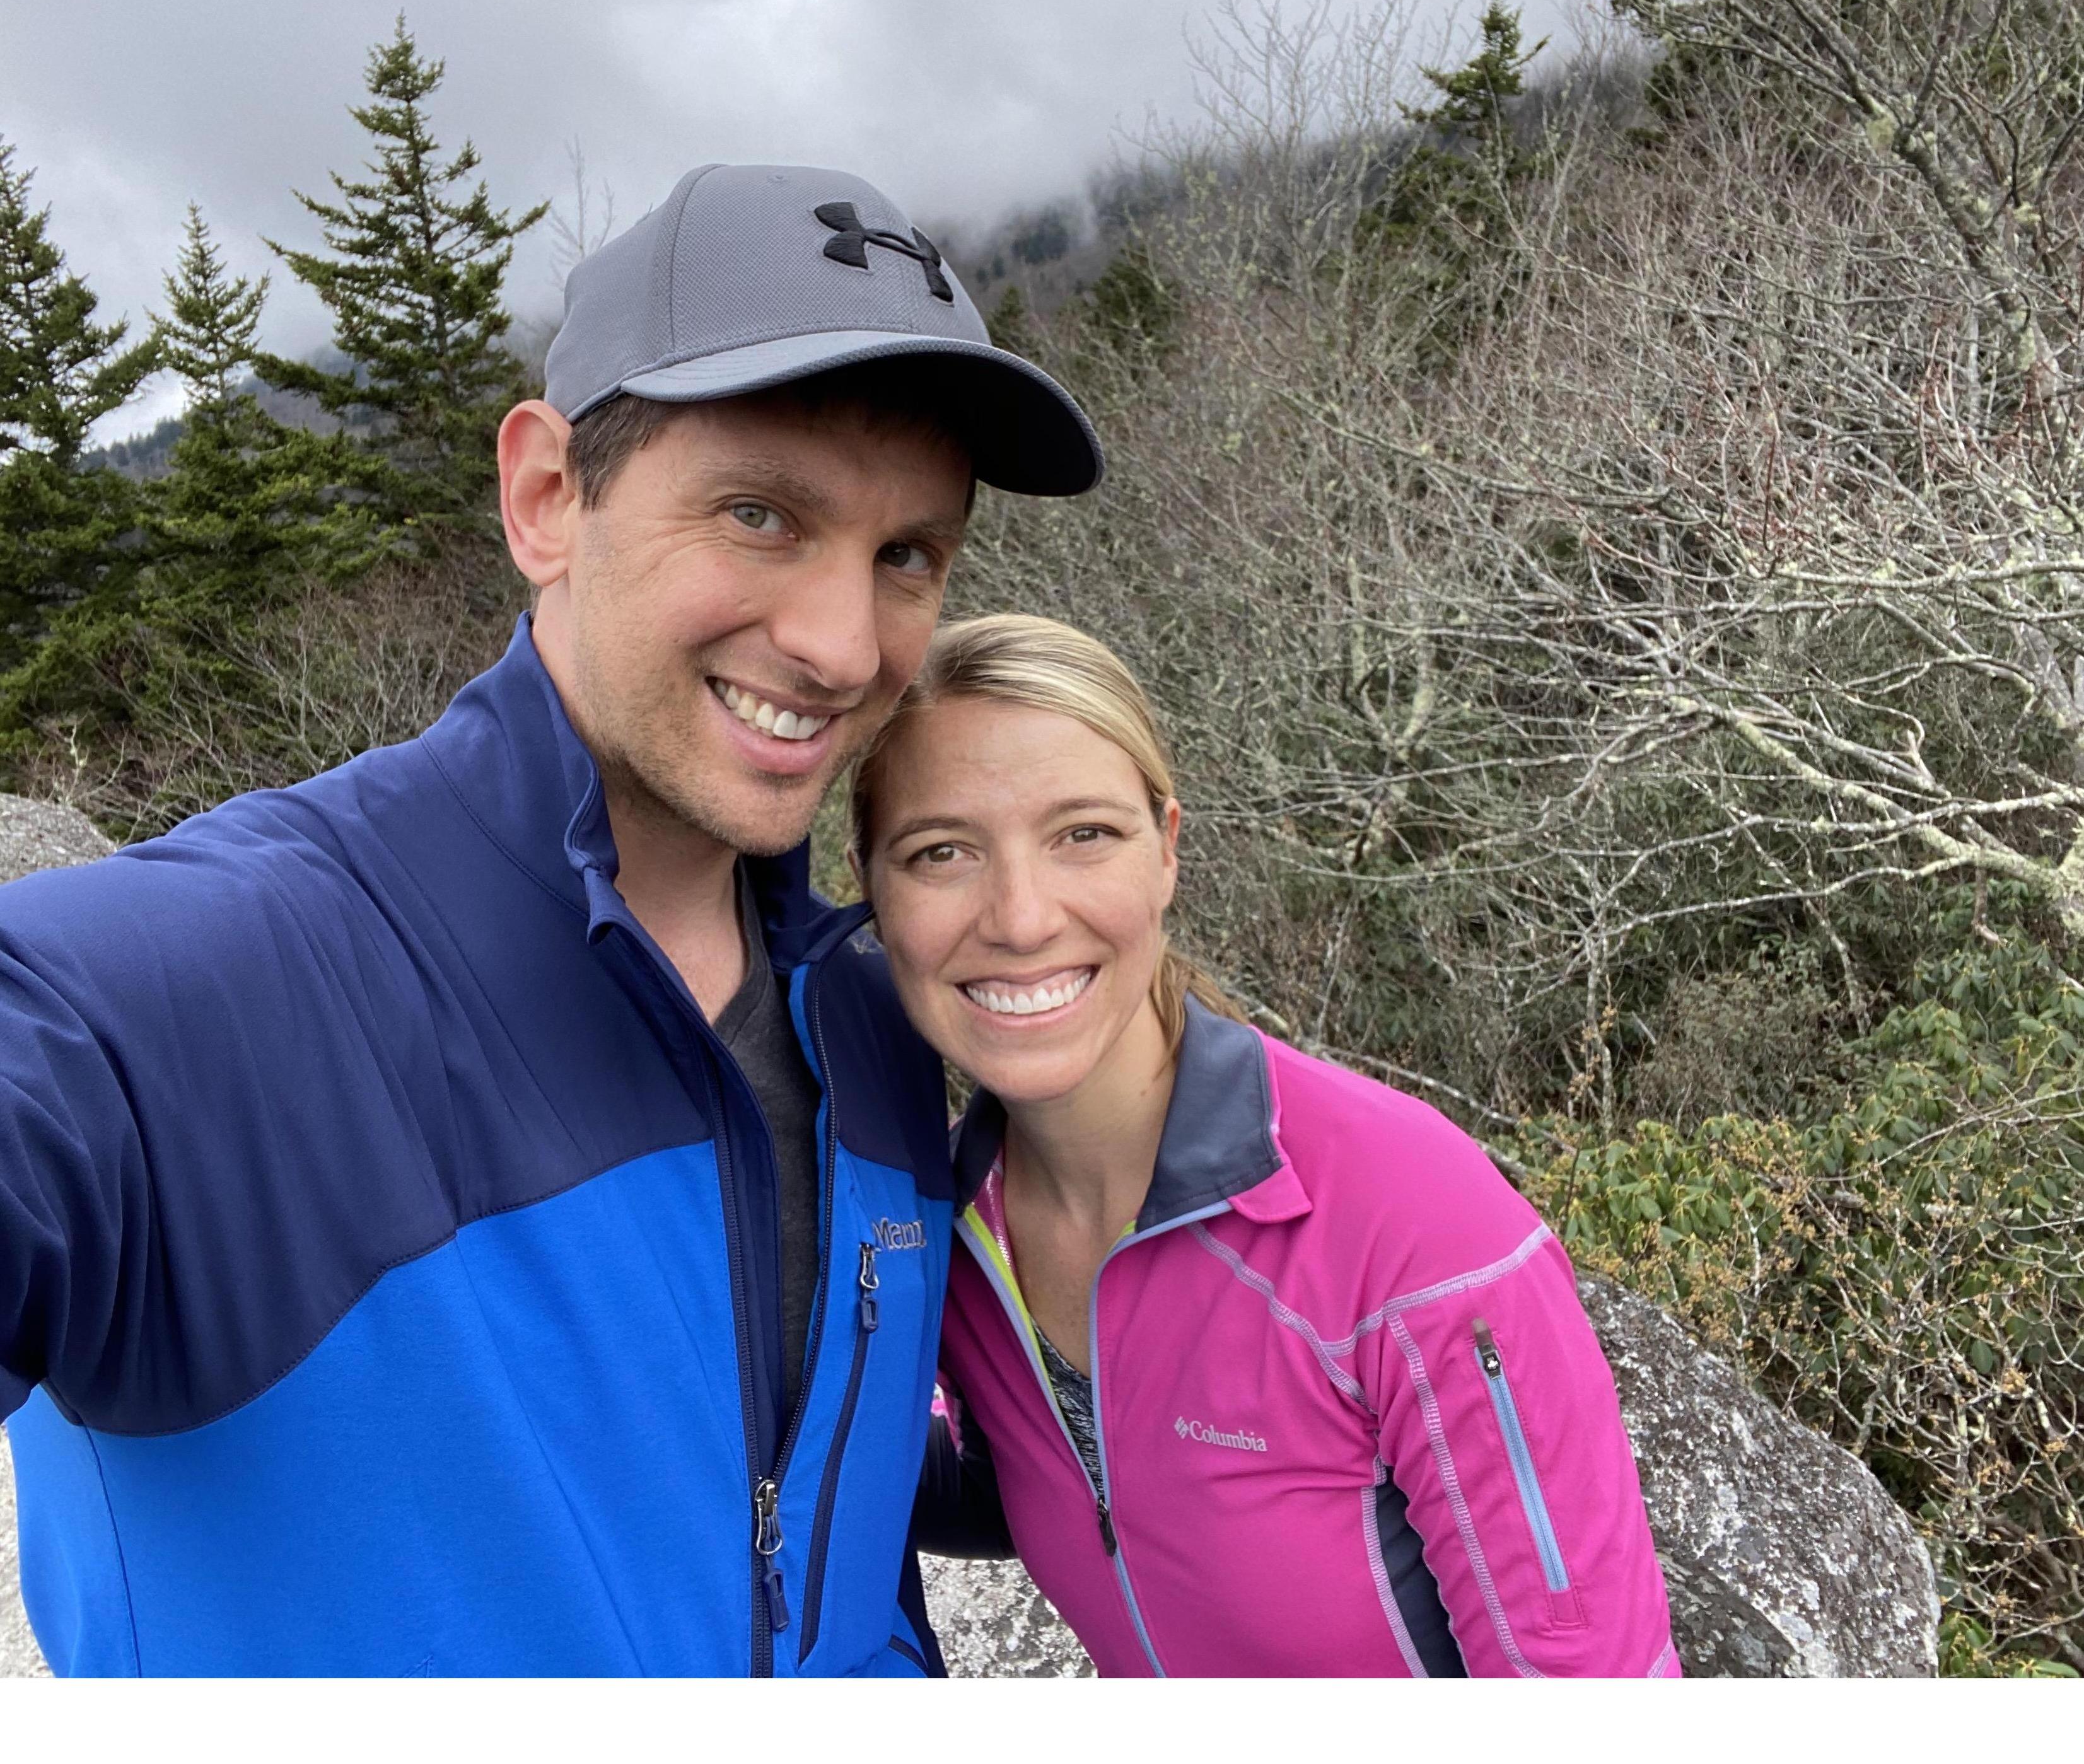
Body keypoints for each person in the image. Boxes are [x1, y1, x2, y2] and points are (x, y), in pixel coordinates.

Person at [0, 165, 1100, 1676]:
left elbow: (795, 1489)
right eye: (762, 514)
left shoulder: (868, 1014)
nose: (847, 643)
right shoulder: (196, 990)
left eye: (907, 554)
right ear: (544, 498)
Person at [862, 615, 1680, 1678]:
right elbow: (1063, 1482)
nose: (1020, 917)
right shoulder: (945, 1229)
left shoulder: (1401, 1213)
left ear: (1168, 847)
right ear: (872, 890)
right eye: (941, 852)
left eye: (1084, 834)